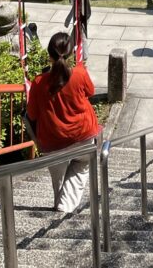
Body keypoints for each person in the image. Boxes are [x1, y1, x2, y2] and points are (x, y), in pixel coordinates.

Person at [26, 32, 100, 214]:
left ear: (49, 55)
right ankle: (64, 208)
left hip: (52, 141)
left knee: (57, 179)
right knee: (82, 165)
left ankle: (60, 208)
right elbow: (90, 92)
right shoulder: (80, 74)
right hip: (83, 135)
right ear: (71, 53)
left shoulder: (38, 82)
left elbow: (32, 114)